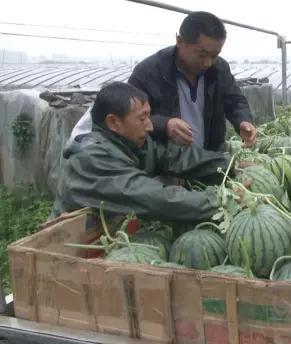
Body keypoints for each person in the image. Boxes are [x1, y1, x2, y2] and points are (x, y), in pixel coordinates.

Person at [66, 11, 256, 151]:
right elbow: (131, 118)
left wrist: (243, 121)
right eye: (202, 54)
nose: (208, 63)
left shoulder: (219, 68)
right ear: (180, 41)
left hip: (209, 157)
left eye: (215, 55)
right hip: (168, 164)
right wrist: (165, 125)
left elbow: (234, 100)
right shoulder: (149, 71)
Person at [52, 82, 236, 223]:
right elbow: (156, 199)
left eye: (148, 115)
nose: (150, 126)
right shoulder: (92, 159)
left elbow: (177, 158)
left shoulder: (131, 142)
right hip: (69, 250)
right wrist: (223, 201)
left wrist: (231, 165)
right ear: (113, 122)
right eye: (142, 118)